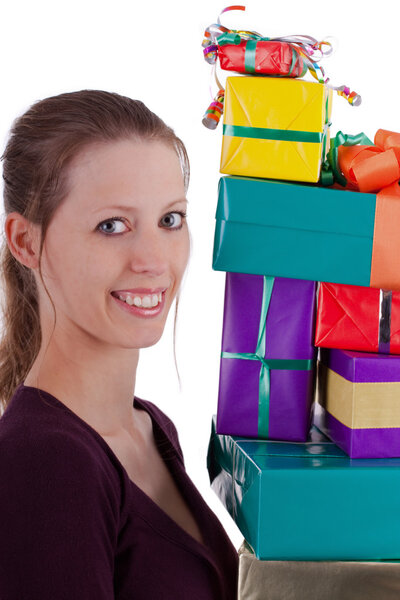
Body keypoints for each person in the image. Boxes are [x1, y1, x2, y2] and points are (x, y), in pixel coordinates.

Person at [0, 90, 238, 599]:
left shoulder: (151, 428)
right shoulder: (44, 461)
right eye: (113, 226)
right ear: (25, 242)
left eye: (170, 220)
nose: (154, 259)